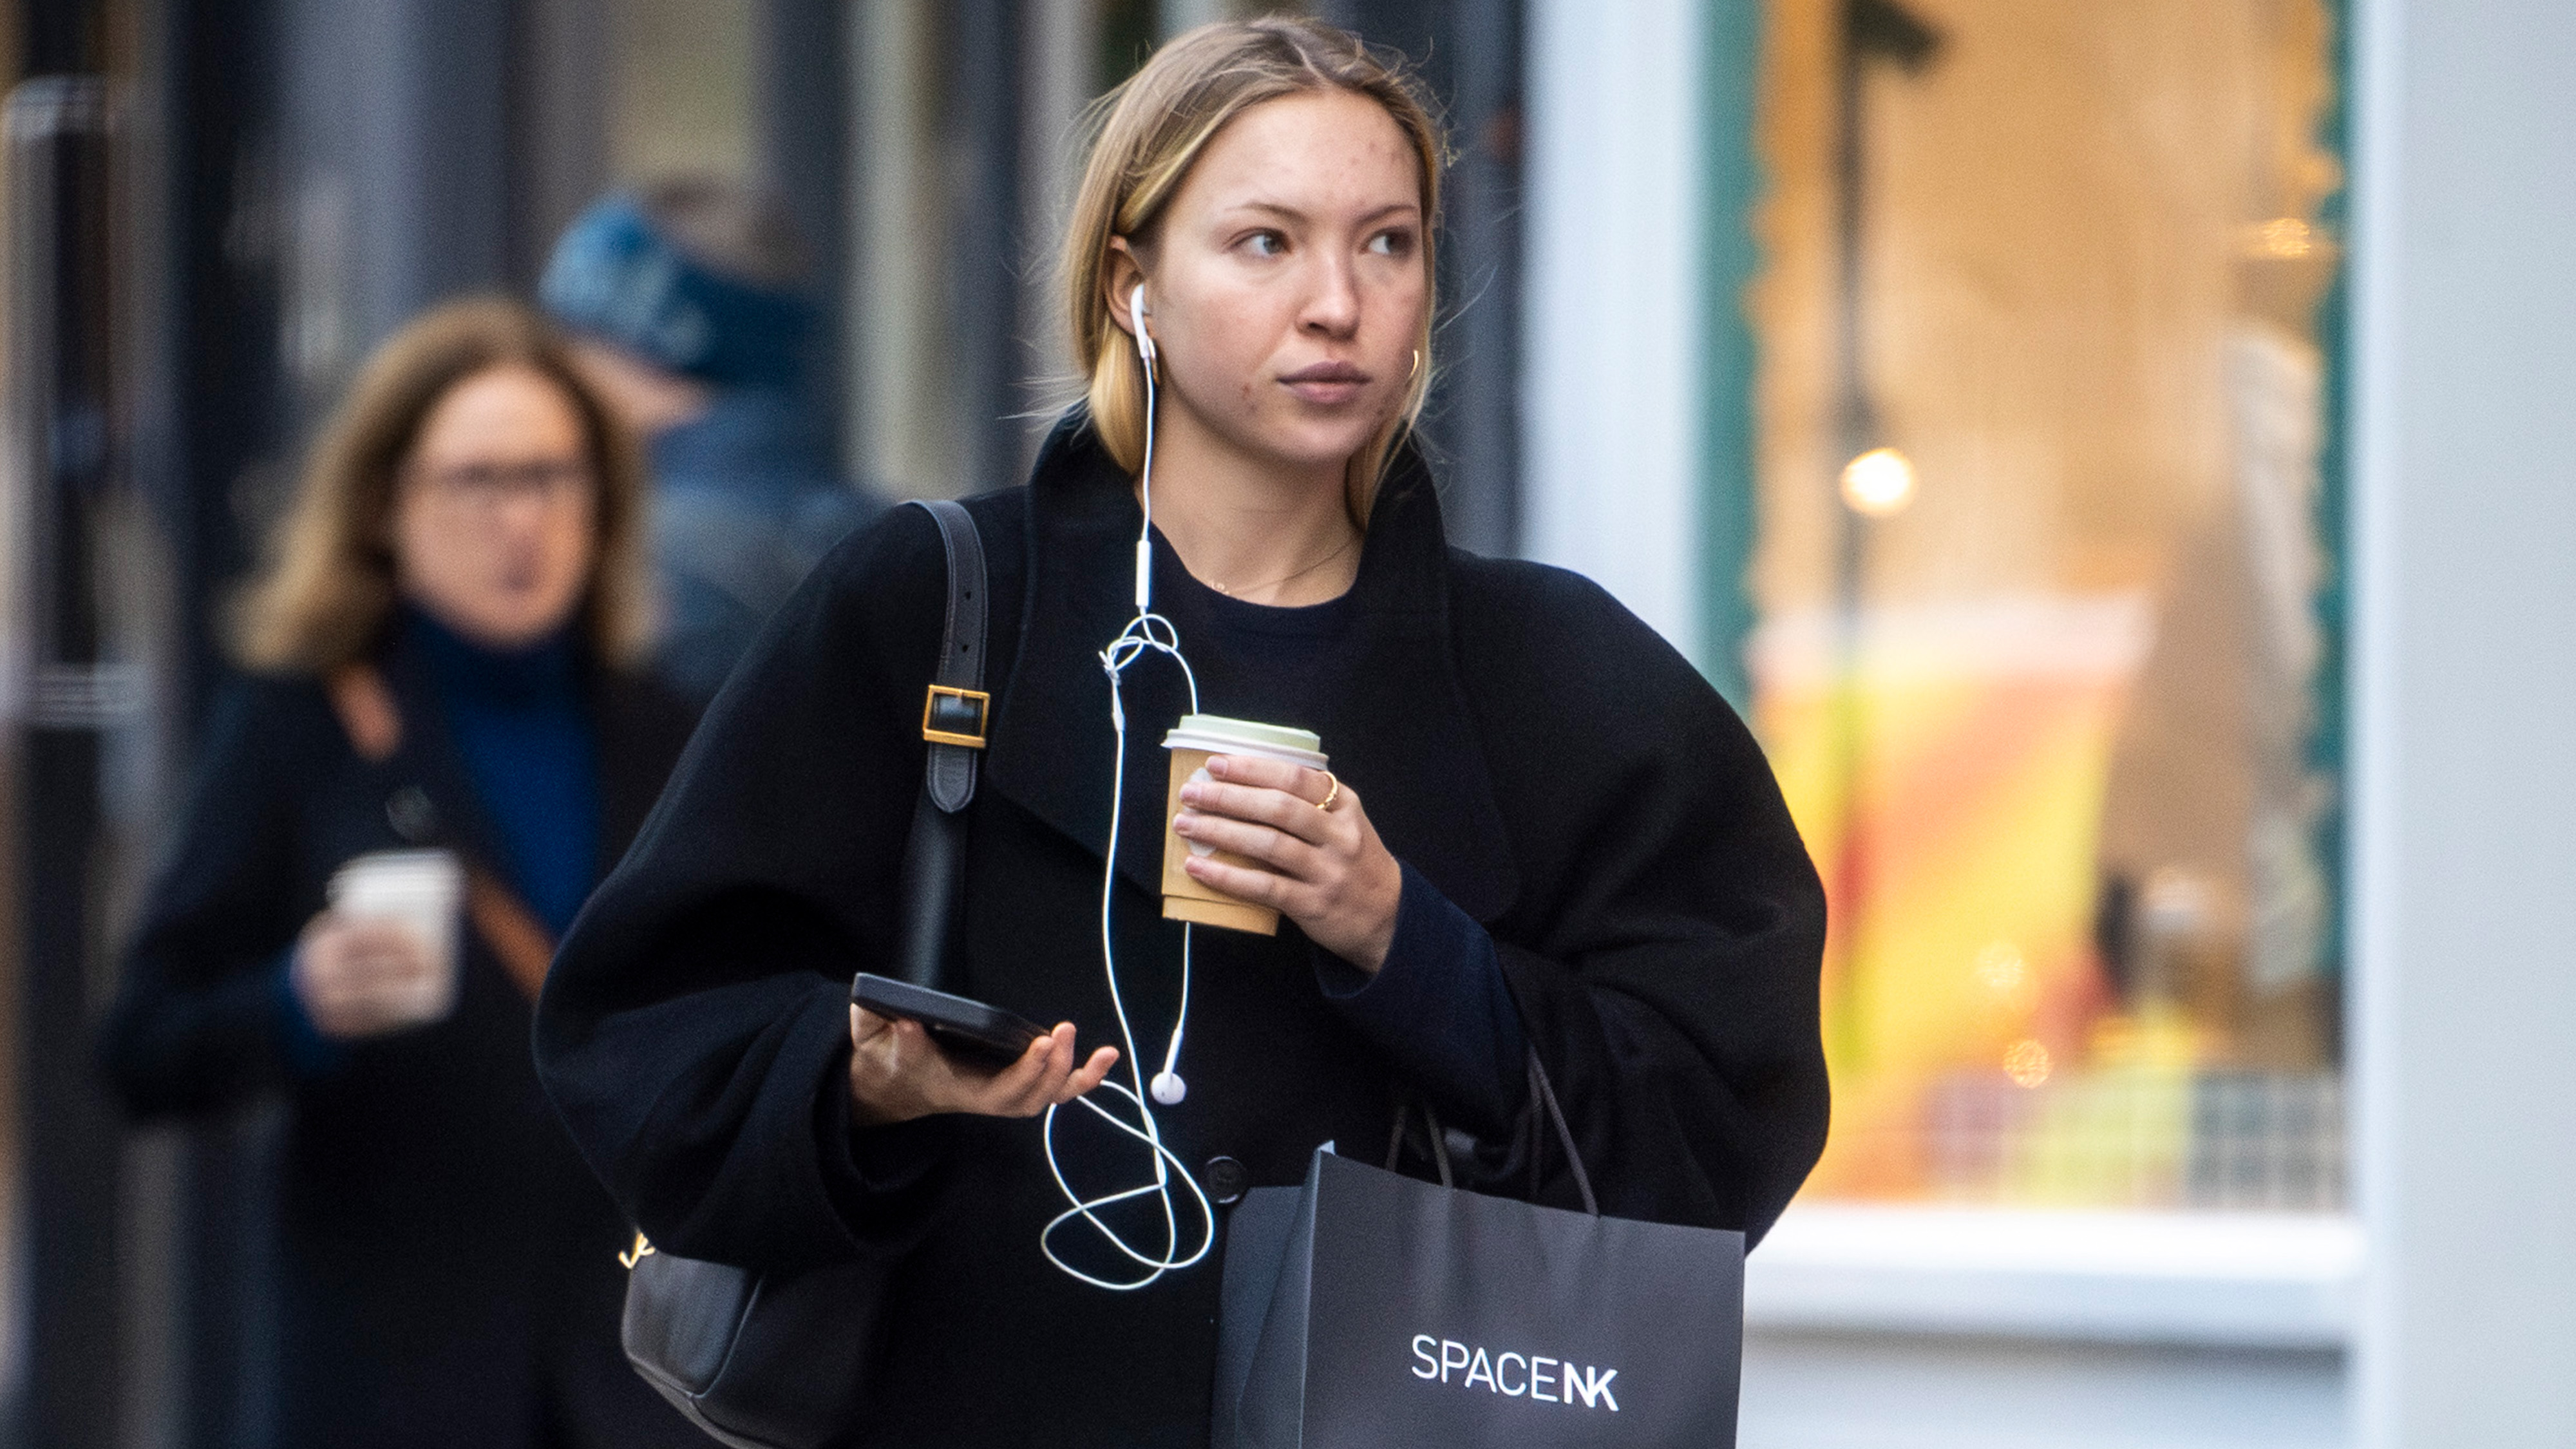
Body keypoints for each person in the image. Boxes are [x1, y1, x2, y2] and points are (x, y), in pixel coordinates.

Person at [536, 18, 1829, 1448]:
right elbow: (642, 1036)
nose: (1337, 302)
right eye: (1265, 243)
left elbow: (1726, 1120)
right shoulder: (932, 606)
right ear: (1130, 281)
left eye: (1386, 244)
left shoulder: (1559, 675)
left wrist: (1408, 943)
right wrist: (854, 1083)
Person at [99, 299, 705, 1449]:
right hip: (390, 1374)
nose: (519, 521)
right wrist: (296, 1003)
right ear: (386, 507)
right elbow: (142, 1048)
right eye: (475, 483)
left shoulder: (669, 733)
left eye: (553, 478)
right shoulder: (301, 731)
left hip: (635, 1372)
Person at [540, 175, 881, 701]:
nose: (552, 372)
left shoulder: (638, 563)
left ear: (645, 348)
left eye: (576, 339)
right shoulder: (882, 529)